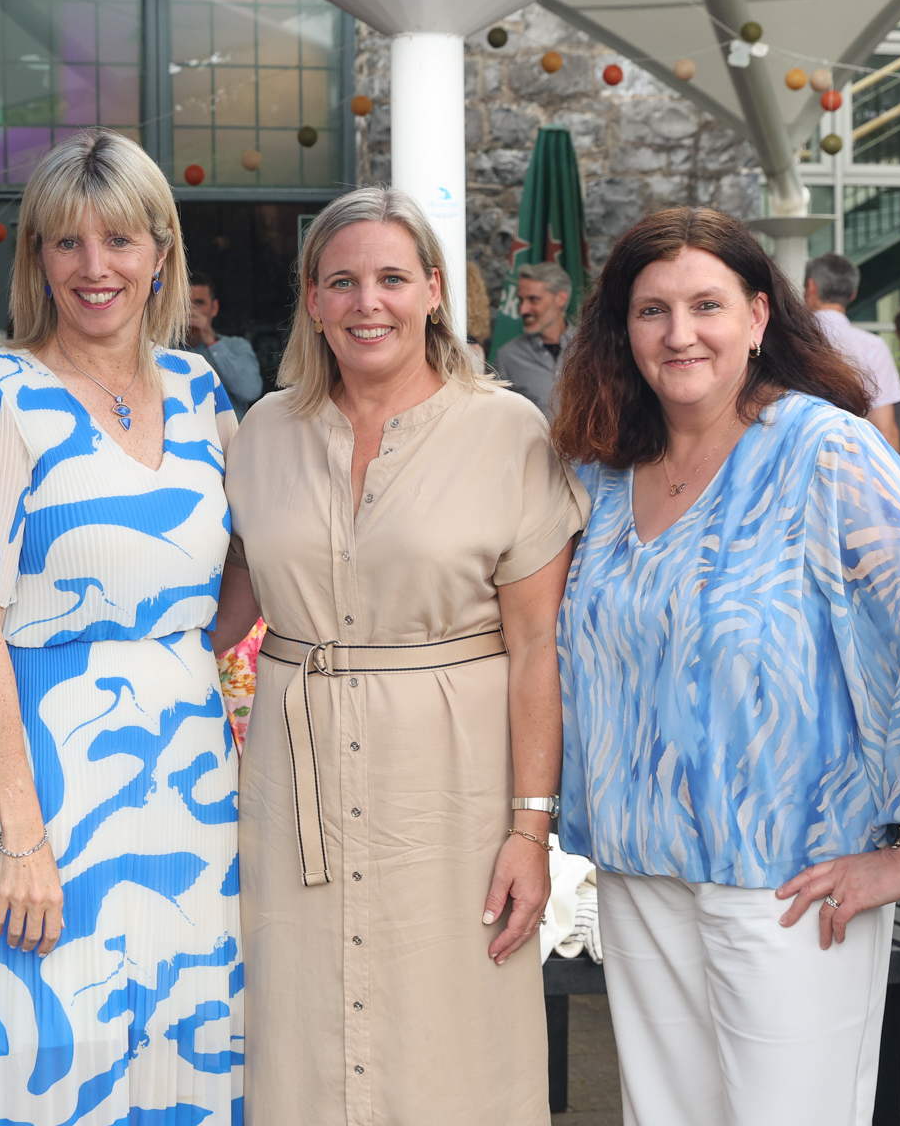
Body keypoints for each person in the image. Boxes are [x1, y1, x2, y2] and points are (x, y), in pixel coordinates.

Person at [551, 207, 900, 1126]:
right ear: (622, 329)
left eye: (706, 305)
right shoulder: (605, 472)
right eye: (652, 310)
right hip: (640, 873)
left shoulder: (823, 449)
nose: (680, 334)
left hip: (791, 880)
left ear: (759, 318)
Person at [214, 187, 585, 1124]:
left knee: (451, 1032)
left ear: (431, 290)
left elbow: (538, 648)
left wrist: (529, 831)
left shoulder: (509, 432)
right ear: (312, 298)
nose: (365, 302)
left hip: (453, 785)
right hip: (289, 786)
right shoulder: (262, 433)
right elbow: (216, 614)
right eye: (342, 281)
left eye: (389, 278)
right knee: (296, 1029)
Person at [0, 128, 241, 1124]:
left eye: (119, 240)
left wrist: (184, 659)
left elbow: (245, 570)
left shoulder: (201, 392)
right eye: (67, 243)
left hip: (190, 774)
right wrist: (21, 835)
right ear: (36, 259)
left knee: (183, 1034)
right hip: (48, 784)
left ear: (160, 251)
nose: (95, 266)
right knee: (49, 1050)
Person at [805, 252, 900, 450]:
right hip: (854, 463)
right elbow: (886, 431)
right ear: (853, 294)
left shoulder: (791, 339)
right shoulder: (873, 346)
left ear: (811, 287)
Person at [493, 261, 572, 418]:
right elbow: (496, 419)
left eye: (533, 300)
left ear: (560, 299)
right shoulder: (508, 357)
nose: (523, 310)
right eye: (521, 301)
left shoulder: (591, 347)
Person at [186, 272, 262, 417]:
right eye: (184, 303)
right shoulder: (164, 350)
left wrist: (211, 341)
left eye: (199, 303)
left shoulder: (236, 346)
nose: (191, 311)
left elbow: (251, 391)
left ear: (214, 308)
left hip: (228, 439)